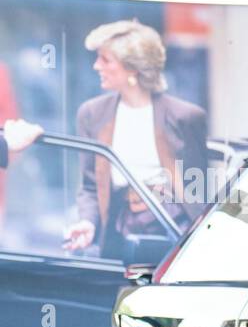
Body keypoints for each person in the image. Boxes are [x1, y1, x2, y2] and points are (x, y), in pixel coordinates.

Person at [62, 20, 207, 259]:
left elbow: (198, 188)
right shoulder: (91, 114)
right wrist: (87, 222)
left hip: (173, 234)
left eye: (105, 60)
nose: (96, 66)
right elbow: (90, 186)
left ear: (133, 69)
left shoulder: (186, 117)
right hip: (119, 234)